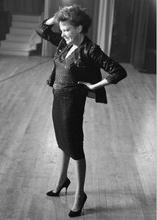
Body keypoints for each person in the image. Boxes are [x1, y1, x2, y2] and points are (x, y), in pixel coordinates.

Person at [33, 4, 127, 217]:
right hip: (58, 97)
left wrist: (94, 87)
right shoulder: (65, 43)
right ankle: (61, 181)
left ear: (80, 28)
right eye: (62, 29)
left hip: (73, 102)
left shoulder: (90, 49)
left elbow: (118, 71)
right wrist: (57, 17)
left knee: (75, 147)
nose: (63, 33)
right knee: (62, 141)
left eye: (66, 29)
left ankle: (79, 195)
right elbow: (41, 29)